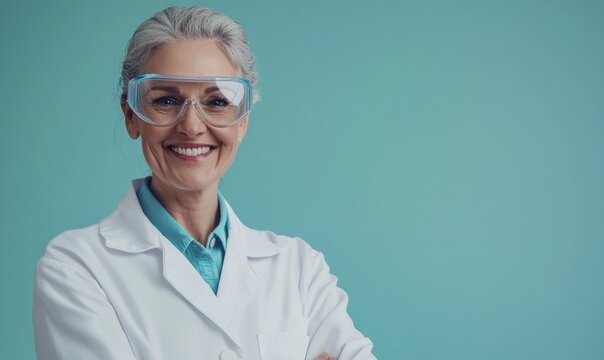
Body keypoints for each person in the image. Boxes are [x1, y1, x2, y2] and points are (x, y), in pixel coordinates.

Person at [33, 6, 376, 360]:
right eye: (166, 100)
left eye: (216, 102)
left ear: (242, 122)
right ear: (131, 116)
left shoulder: (300, 269)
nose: (192, 126)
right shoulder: (76, 269)